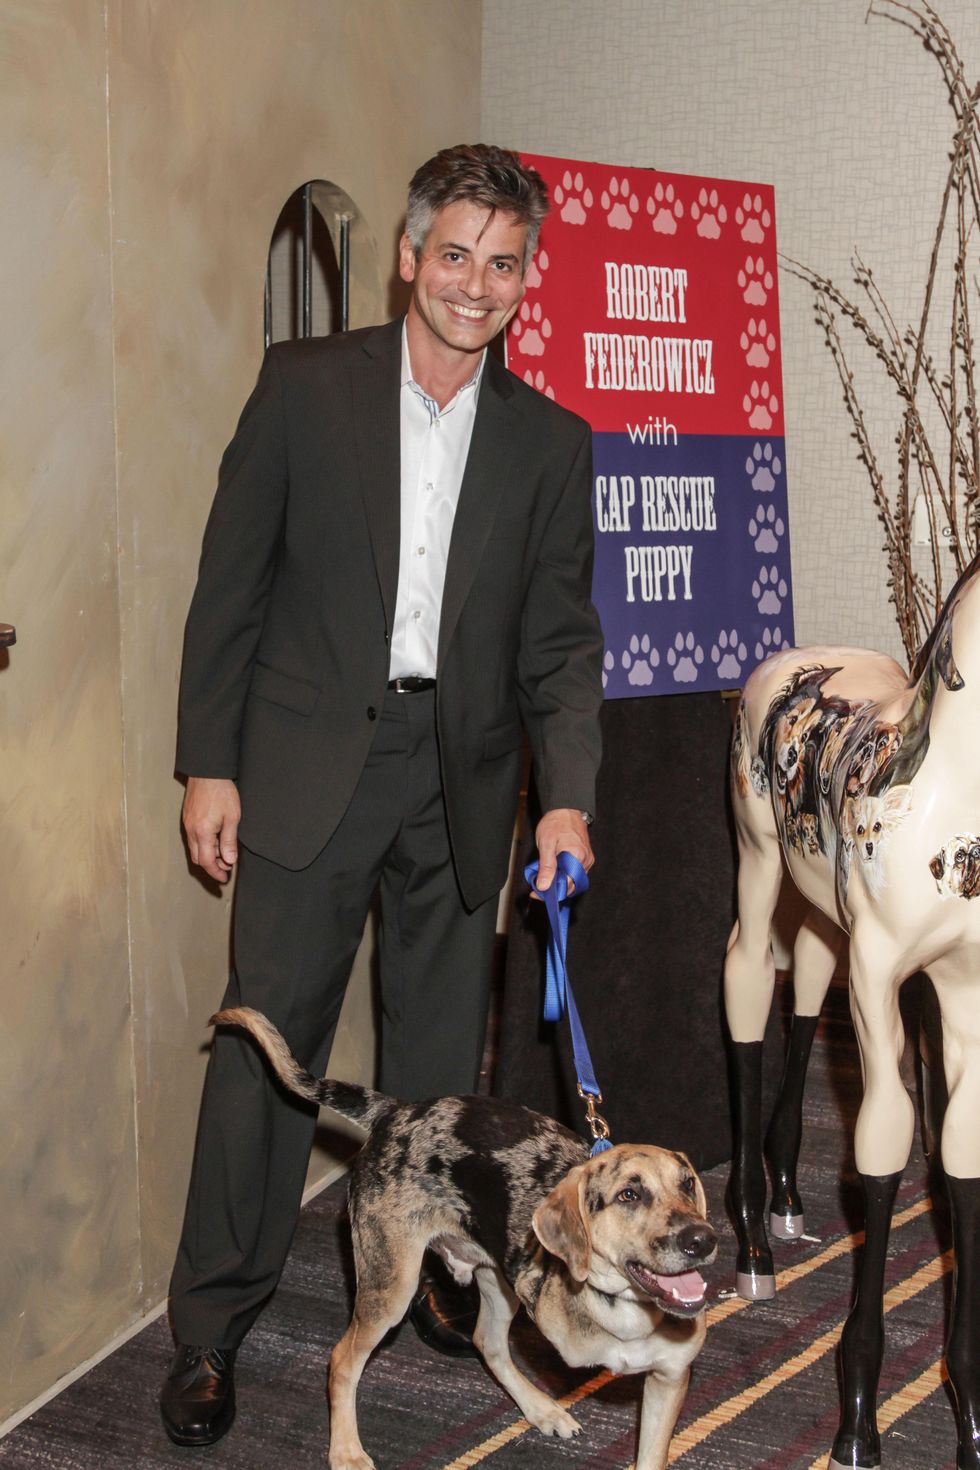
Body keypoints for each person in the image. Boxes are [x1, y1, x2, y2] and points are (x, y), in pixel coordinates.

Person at [160, 143, 603, 1447]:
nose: (476, 282)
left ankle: (432, 1289)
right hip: (300, 771)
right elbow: (228, 581)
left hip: (457, 789)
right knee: (260, 1050)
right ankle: (210, 1326)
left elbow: (560, 643)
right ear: (412, 255)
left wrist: (564, 794)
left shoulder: (548, 443)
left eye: (503, 261)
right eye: (454, 252)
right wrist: (207, 759)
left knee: (430, 1076)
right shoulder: (305, 389)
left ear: (530, 279)